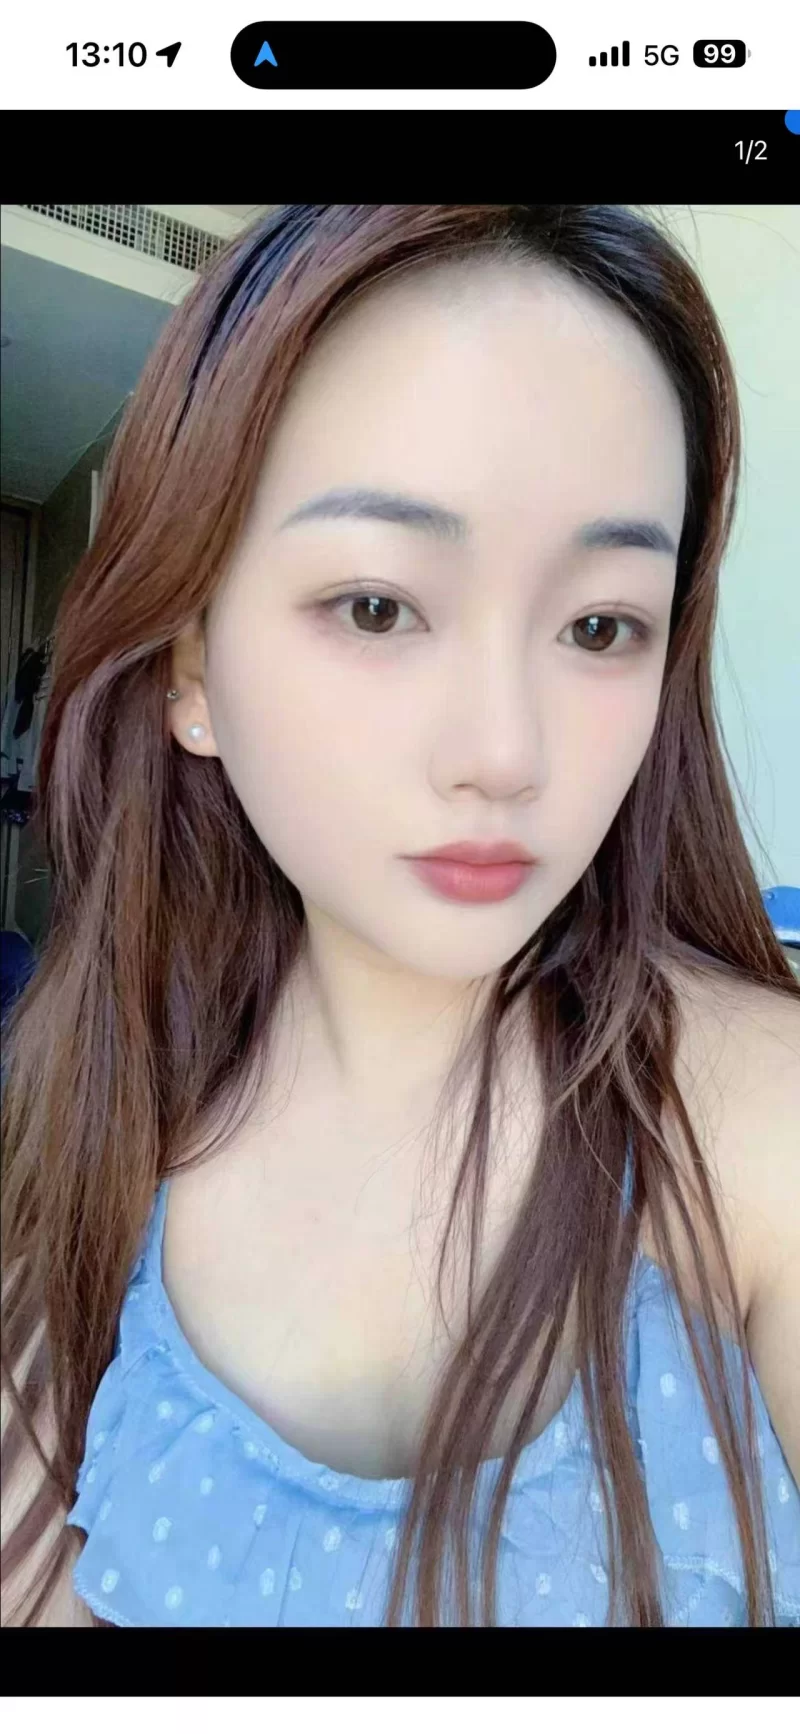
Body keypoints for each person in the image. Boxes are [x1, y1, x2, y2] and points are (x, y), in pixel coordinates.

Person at [1, 204, 798, 1629]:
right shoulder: (94, 1120)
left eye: (600, 625)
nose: (505, 751)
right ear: (190, 664)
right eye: (377, 607)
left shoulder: (755, 1132)